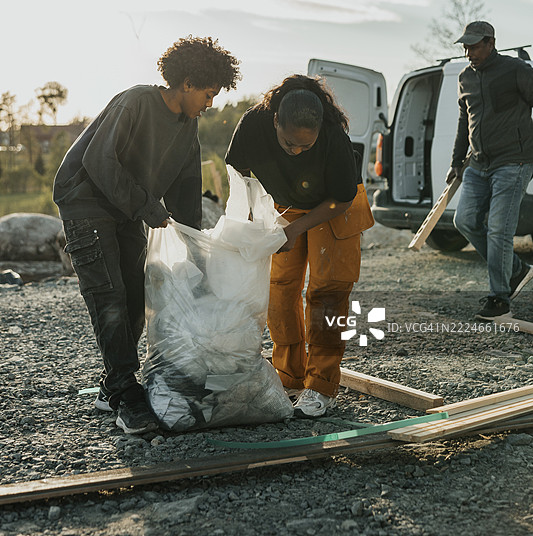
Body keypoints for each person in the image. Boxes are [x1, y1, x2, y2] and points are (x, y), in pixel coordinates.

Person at [53, 36, 241, 434]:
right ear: (187, 83)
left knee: (138, 295)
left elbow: (187, 196)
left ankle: (114, 384)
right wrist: (146, 207)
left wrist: (198, 254)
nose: (210, 104)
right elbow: (98, 160)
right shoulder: (136, 101)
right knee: (109, 295)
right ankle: (124, 392)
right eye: (208, 94)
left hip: (125, 208)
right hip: (86, 201)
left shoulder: (187, 129)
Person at [225, 75, 374, 418]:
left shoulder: (333, 138)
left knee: (327, 293)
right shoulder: (254, 124)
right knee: (278, 289)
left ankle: (321, 386)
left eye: (306, 147)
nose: (297, 151)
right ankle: (288, 377)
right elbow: (239, 173)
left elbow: (340, 197)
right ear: (276, 120)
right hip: (287, 204)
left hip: (336, 207)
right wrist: (248, 220)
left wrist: (296, 231)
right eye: (290, 143)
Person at [446, 21, 533, 320]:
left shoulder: (517, 70)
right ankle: (517, 271)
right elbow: (463, 122)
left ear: (491, 42)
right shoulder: (464, 78)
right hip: (478, 163)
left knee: (499, 230)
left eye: (473, 45)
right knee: (465, 221)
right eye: (465, 46)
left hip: (514, 161)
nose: (468, 51)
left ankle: (499, 299)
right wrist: (456, 162)